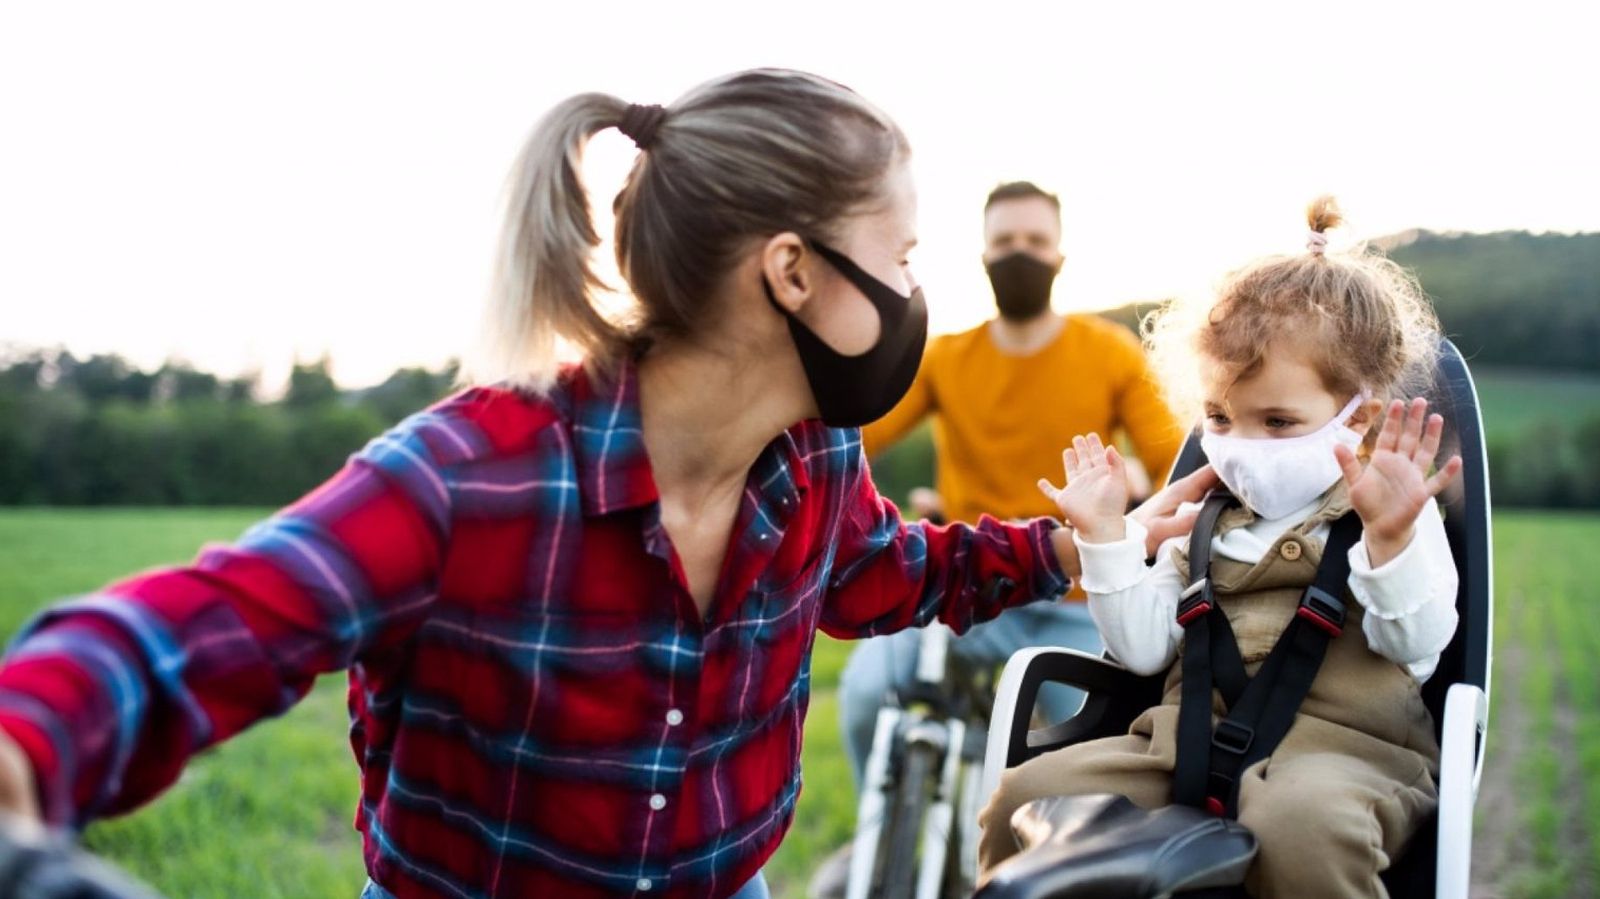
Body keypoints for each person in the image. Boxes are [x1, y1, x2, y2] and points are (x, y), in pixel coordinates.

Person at [0, 70, 1215, 899]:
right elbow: (209, 624)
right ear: (793, 271)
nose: (912, 290)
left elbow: (892, 570)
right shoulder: (469, 475)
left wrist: (1066, 548)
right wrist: (25, 742)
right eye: (899, 256)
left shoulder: (813, 462)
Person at [978, 197, 1464, 898]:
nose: (1242, 446)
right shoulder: (1204, 523)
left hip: (1346, 756)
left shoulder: (1390, 518)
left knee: (1305, 832)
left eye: (1278, 420)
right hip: (1179, 744)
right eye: (1218, 418)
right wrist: (1107, 540)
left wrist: (1389, 541)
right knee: (1028, 794)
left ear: (1363, 416)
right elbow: (1143, 650)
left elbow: (1419, 644)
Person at [834, 182, 1183, 799]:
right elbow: (852, 438)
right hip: (967, 592)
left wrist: (1131, 512)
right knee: (864, 694)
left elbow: (1172, 464)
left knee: (1088, 755)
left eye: (1035, 242)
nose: (1019, 254)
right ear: (984, 257)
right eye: (1005, 242)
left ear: (1059, 260)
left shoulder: (1108, 353)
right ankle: (872, 847)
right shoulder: (947, 357)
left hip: (1078, 601)